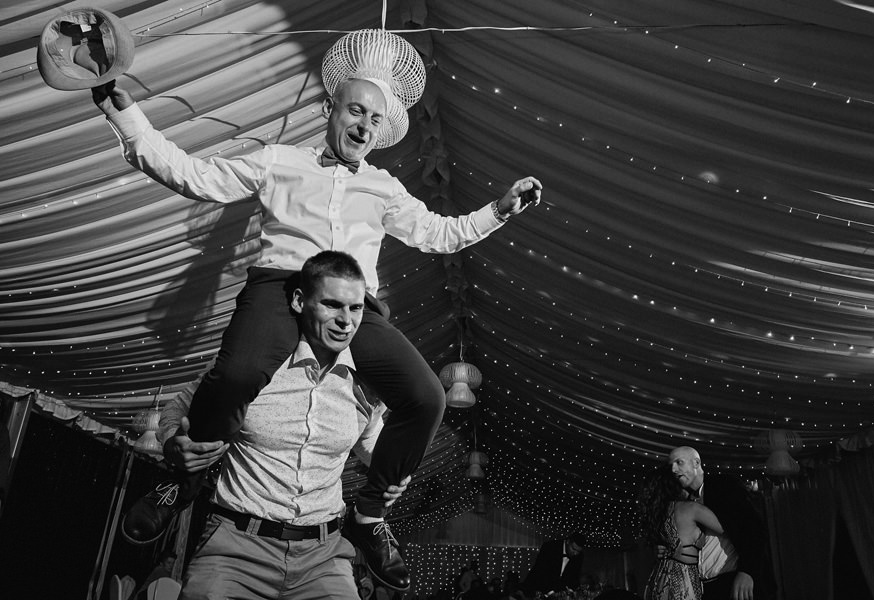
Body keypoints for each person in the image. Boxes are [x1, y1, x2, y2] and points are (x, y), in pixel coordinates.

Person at [95, 29, 541, 592]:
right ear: (331, 107)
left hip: (355, 303)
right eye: (356, 111)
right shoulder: (279, 161)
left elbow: (439, 233)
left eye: (376, 119)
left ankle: (369, 517)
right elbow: (193, 175)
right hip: (281, 288)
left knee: (426, 396)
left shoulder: (383, 187)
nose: (365, 125)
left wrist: (499, 209)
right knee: (236, 374)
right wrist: (126, 115)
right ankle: (181, 481)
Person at [157, 250, 409, 599]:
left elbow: (371, 445)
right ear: (299, 301)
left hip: (324, 554)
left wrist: (393, 474)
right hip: (235, 547)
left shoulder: (365, 384)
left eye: (355, 308)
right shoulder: (252, 365)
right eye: (332, 305)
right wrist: (174, 442)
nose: (345, 321)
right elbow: (176, 410)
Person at [668, 447, 773, 600]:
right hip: (706, 588)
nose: (673, 469)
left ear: (696, 463)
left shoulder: (723, 486)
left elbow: (753, 528)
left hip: (734, 582)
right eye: (671, 465)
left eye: (679, 462)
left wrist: (748, 571)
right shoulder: (684, 501)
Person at [639, 466, 724, 600]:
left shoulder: (658, 513)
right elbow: (729, 528)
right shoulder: (691, 509)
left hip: (658, 580)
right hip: (683, 581)